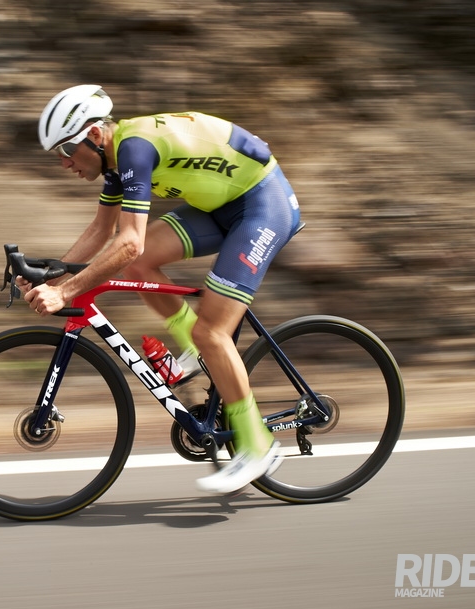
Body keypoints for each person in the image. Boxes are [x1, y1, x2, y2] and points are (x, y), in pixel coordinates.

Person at [25, 84, 301, 494]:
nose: (64, 162)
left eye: (66, 149)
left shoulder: (135, 149)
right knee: (139, 267)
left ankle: (256, 447)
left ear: (95, 135)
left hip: (262, 204)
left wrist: (65, 293)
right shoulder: (116, 161)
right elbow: (101, 230)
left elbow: (129, 241)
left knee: (212, 332)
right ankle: (198, 352)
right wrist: (49, 276)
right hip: (221, 206)